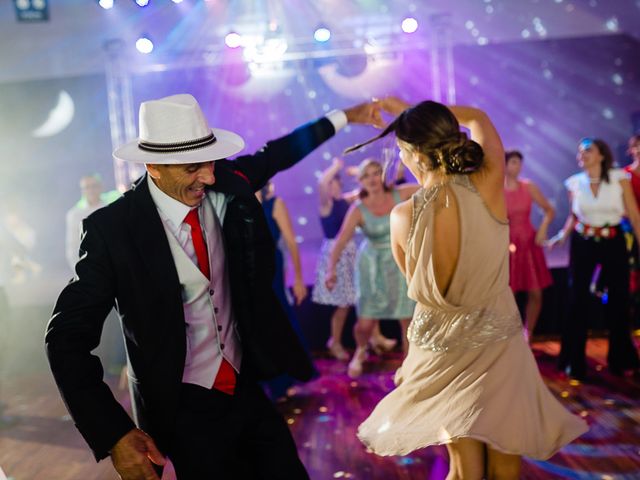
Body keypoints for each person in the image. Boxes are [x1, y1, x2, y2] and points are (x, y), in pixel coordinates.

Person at [45, 93, 381, 480]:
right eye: (192, 168)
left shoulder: (223, 183)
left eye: (209, 161)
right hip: (180, 404)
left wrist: (348, 115)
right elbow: (65, 339)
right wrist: (115, 434)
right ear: (154, 166)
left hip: (244, 385)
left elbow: (280, 152)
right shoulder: (112, 230)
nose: (207, 175)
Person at [352, 97, 588, 479]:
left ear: (413, 152)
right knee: (506, 459)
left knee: (464, 469)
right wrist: (411, 109)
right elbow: (478, 116)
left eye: (402, 151)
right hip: (498, 338)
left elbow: (415, 283)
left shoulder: (401, 215)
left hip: (440, 346)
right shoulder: (488, 184)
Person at [549, 137, 640, 380]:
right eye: (580, 152)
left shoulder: (620, 177)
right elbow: (573, 216)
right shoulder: (574, 183)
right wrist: (562, 235)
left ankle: (620, 359)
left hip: (613, 239)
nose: (582, 155)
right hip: (583, 242)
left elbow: (633, 212)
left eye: (588, 150)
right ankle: (573, 361)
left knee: (619, 300)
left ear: (601, 154)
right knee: (578, 299)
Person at [326, 158, 418, 378]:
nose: (372, 179)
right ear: (359, 181)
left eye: (376, 173)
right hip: (371, 266)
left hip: (400, 262)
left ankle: (409, 365)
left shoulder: (400, 194)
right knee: (365, 324)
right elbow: (340, 240)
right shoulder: (358, 208)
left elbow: (431, 184)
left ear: (383, 175)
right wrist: (331, 270)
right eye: (366, 175)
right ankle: (361, 350)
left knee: (407, 318)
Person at [256, 181, 315, 399]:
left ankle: (284, 378)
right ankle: (265, 380)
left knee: (278, 320)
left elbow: (291, 242)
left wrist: (299, 278)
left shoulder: (275, 204)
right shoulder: (239, 203)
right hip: (249, 270)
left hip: (272, 269)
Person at [504, 150, 554, 341]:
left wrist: (542, 230)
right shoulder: (497, 189)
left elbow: (549, 210)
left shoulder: (528, 186)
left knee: (536, 291)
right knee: (509, 293)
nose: (517, 166)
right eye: (514, 162)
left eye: (519, 163)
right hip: (508, 244)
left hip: (529, 242)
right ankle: (510, 336)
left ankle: (528, 333)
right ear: (505, 165)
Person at [311, 158, 357, 361]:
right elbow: (321, 183)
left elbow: (369, 190)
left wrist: (357, 172)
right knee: (343, 302)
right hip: (334, 255)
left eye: (334, 182)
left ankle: (371, 338)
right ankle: (335, 341)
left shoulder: (346, 201)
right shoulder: (326, 204)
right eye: (330, 183)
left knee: (351, 301)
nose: (330, 186)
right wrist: (336, 165)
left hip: (350, 253)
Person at [65, 174, 120, 272]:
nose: (91, 190)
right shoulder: (75, 214)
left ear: (101, 187)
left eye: (94, 186)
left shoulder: (112, 207)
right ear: (82, 190)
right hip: (92, 266)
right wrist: (79, 271)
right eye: (87, 187)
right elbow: (73, 246)